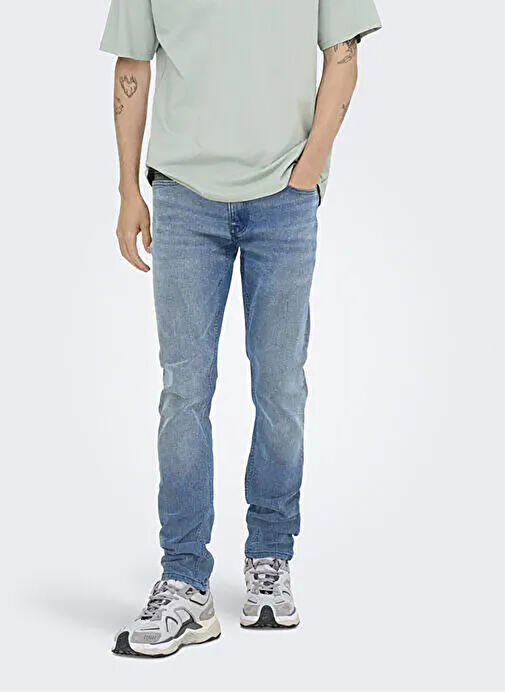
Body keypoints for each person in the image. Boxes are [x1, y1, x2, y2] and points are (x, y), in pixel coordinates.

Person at [101, 0, 382, 658]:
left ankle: (270, 561)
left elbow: (343, 53)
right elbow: (132, 65)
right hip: (182, 193)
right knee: (184, 391)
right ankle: (185, 582)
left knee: (280, 386)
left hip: (283, 196)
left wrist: (308, 169)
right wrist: (127, 190)